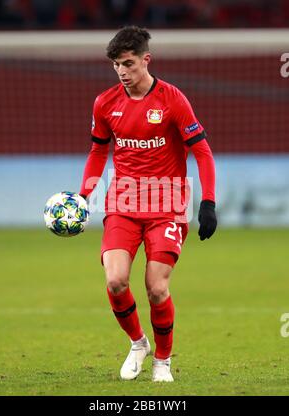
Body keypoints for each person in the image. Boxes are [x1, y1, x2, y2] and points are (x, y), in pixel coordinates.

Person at [80, 26, 217, 382]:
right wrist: (83, 196)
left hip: (167, 205)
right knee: (115, 281)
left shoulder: (173, 100)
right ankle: (138, 343)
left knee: (157, 287)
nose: (122, 72)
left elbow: (200, 150)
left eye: (128, 63)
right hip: (123, 203)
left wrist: (208, 202)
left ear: (146, 60)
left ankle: (163, 361)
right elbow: (98, 150)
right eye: (116, 65)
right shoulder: (105, 103)